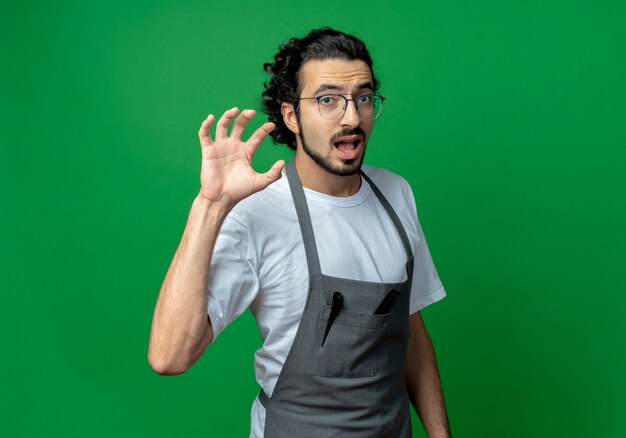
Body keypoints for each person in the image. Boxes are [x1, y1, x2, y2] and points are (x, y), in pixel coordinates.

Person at [148, 27, 450, 437]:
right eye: (328, 100)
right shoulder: (255, 214)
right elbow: (169, 356)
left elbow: (411, 330)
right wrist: (211, 205)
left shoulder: (396, 195)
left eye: (362, 98)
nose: (351, 117)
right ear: (291, 116)